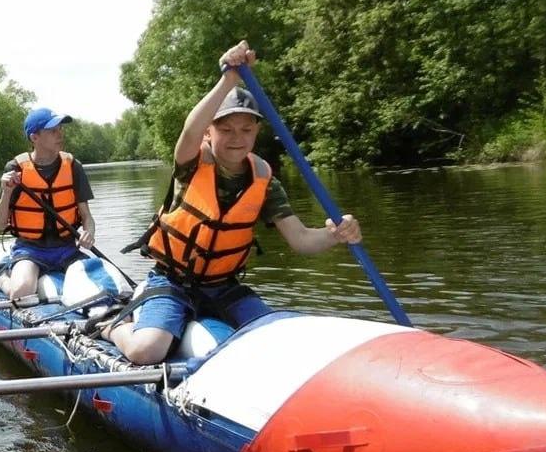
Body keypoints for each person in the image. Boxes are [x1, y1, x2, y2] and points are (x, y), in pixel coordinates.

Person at [105, 40, 362, 365]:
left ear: (256, 132)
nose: (236, 137)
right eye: (225, 128)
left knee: (280, 338)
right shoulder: (191, 164)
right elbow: (189, 130)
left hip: (224, 285)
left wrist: (335, 235)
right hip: (172, 280)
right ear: (209, 133)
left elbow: (301, 240)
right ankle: (112, 327)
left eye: (246, 128)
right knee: (147, 351)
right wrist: (229, 78)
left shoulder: (264, 181)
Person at [0, 107, 97, 299]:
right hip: (30, 250)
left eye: (60, 129)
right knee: (21, 292)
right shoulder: (16, 169)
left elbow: (87, 217)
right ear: (34, 138)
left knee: (97, 289)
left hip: (67, 249)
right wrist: (7, 192)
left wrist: (89, 232)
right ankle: (0, 278)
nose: (60, 134)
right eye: (52, 131)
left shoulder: (74, 166)